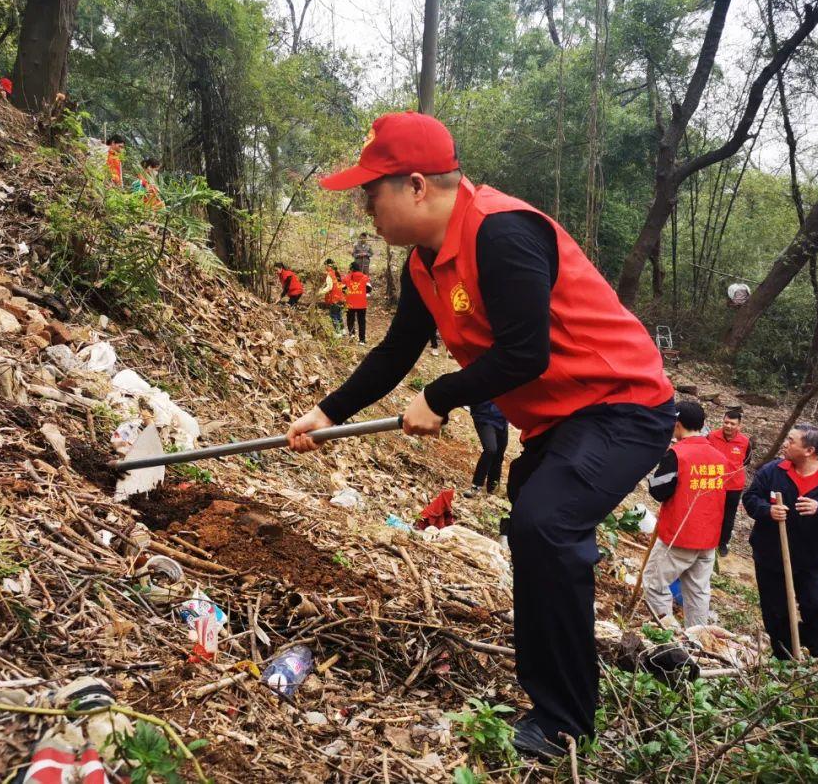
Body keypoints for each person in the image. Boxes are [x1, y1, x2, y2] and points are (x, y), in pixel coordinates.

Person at [285, 111, 674, 758]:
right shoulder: (423, 263)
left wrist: (439, 398)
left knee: (545, 525)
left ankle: (563, 724)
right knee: (534, 527)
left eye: (370, 192)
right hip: (558, 422)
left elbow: (525, 355)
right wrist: (328, 414)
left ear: (415, 186)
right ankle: (550, 697)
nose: (365, 208)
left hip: (622, 404)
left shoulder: (502, 233)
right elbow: (395, 351)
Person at [742, 424, 818, 659]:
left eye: (791, 440)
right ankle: (784, 657)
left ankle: (811, 634)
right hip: (771, 554)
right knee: (775, 613)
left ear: (809, 450)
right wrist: (767, 511)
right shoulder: (773, 471)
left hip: (812, 558)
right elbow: (750, 497)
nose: (785, 443)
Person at [643, 401, 727, 628]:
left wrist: (651, 476)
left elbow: (658, 490)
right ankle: (697, 641)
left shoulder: (678, 454)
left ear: (678, 425)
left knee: (654, 584)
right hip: (708, 539)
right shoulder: (720, 458)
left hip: (679, 537)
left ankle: (668, 638)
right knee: (698, 592)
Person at [706, 407, 752, 556]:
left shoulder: (745, 442)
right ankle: (706, 538)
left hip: (734, 485)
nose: (728, 426)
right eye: (726, 422)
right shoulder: (711, 437)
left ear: (739, 426)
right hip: (713, 482)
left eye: (732, 424)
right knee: (709, 511)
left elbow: (746, 461)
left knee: (728, 515)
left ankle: (723, 542)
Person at [464, 401, 508, 498]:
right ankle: (476, 486)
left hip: (502, 421)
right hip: (484, 417)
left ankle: (493, 489)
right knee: (490, 449)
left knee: (499, 454)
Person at [342, 261, 371, 343]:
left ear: (351, 269)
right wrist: (361, 292)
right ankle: (362, 340)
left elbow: (343, 289)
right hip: (362, 303)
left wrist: (350, 293)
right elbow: (369, 289)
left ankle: (352, 334)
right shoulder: (365, 278)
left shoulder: (346, 278)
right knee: (361, 321)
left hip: (350, 303)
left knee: (350, 319)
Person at [320, 259, 345, 334]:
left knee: (333, 316)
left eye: (325, 266)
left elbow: (329, 287)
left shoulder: (329, 275)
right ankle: (342, 330)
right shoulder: (337, 273)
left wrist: (320, 292)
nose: (325, 267)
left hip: (334, 299)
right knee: (339, 315)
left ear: (329, 266)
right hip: (340, 298)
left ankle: (338, 333)